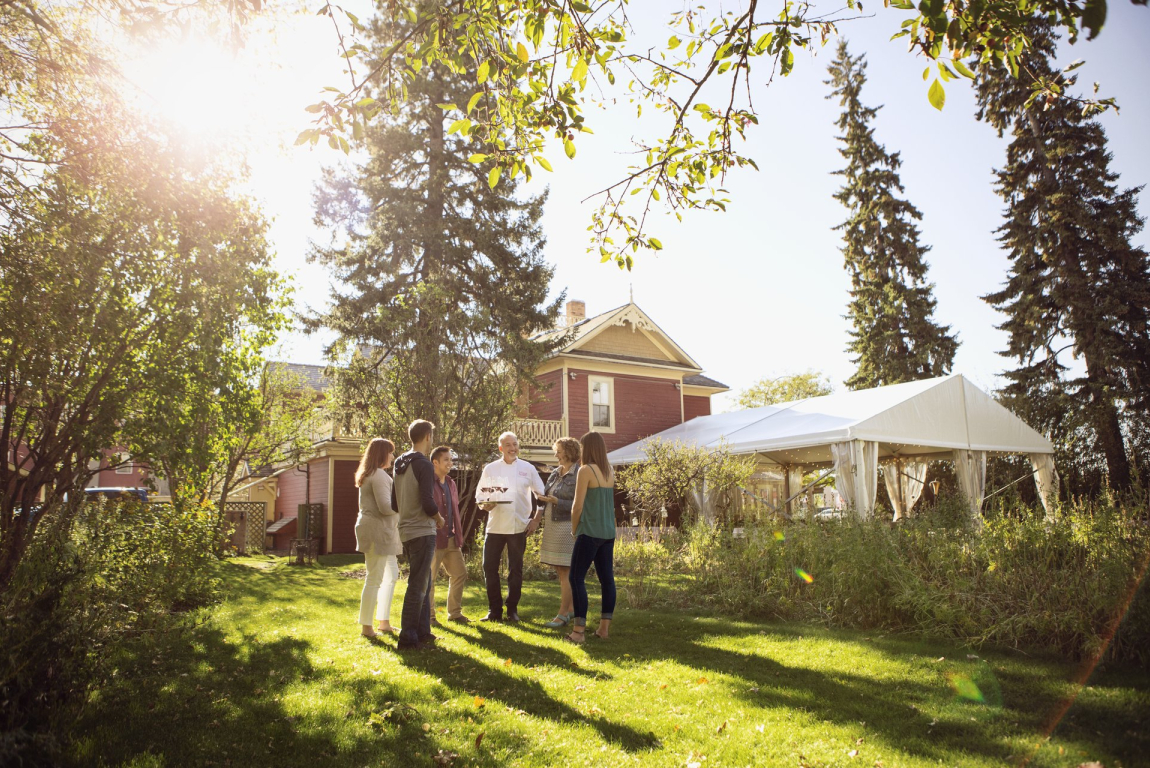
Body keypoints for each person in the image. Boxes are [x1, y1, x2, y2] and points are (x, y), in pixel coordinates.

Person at [476, 431, 545, 623]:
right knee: (489, 568)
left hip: (518, 526)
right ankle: (494, 610)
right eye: (508, 445)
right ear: (501, 448)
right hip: (495, 526)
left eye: (515, 444)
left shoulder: (528, 468)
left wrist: (536, 520)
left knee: (515, 570)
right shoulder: (490, 468)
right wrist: (484, 505)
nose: (512, 448)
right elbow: (480, 496)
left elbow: (541, 495)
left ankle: (512, 610)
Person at [392, 419, 445, 650]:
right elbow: (428, 502)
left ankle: (423, 632)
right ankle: (408, 638)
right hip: (422, 530)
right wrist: (439, 518)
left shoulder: (399, 462)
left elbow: (394, 503)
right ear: (427, 437)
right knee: (417, 585)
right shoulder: (423, 464)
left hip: (405, 530)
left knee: (424, 581)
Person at [566, 431, 617, 644]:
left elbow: (577, 506)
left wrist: (574, 529)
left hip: (589, 532)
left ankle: (578, 632)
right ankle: (603, 629)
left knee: (576, 578)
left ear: (587, 448)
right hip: (608, 533)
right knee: (607, 579)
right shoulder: (609, 470)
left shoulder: (585, 470)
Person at [354, 437, 401, 638]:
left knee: (391, 575)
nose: (392, 456)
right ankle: (366, 627)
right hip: (377, 532)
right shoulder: (379, 475)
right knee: (374, 578)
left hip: (381, 532)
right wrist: (405, 507)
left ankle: (384, 622)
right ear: (382, 454)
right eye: (390, 452)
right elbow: (385, 507)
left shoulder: (371, 474)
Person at [538, 437, 581, 628]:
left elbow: (580, 504)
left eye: (559, 451)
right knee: (560, 569)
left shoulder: (579, 473)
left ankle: (562, 614)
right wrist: (543, 498)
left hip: (567, 527)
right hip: (552, 525)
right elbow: (549, 493)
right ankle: (571, 609)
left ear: (569, 452)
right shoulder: (556, 472)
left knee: (566, 571)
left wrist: (558, 502)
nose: (556, 454)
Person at [430, 445, 469, 625]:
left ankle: (454, 613)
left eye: (450, 460)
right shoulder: (428, 484)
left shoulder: (451, 483)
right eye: (446, 460)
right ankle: (429, 617)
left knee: (460, 573)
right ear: (435, 462)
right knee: (430, 579)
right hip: (434, 539)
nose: (450, 463)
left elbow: (454, 511)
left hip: (452, 538)